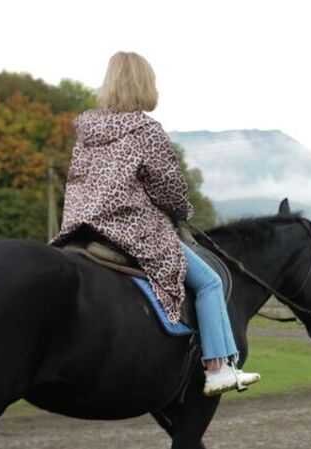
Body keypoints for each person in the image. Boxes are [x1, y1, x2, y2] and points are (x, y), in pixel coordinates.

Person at [52, 51, 260, 394]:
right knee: (209, 281)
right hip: (130, 229)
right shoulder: (145, 129)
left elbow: (77, 181)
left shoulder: (87, 128)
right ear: (144, 85)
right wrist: (182, 211)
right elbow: (170, 188)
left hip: (81, 227)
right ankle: (219, 368)